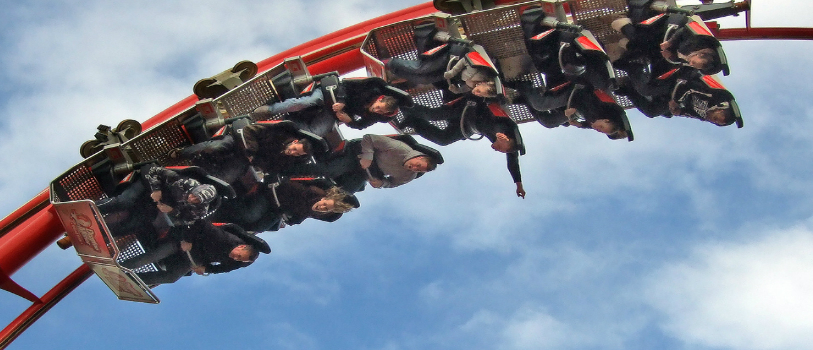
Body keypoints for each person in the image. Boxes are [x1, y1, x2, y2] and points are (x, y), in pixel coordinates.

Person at [398, 98, 526, 198]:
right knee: (434, 115)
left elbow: (513, 163)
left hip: (468, 125)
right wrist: (500, 133)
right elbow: (499, 126)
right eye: (500, 149)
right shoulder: (503, 127)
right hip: (469, 107)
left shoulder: (510, 146)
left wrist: (518, 185)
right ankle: (402, 102)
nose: (497, 150)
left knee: (444, 139)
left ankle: (413, 121)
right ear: (504, 138)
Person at [123, 221, 269, 285]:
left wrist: (206, 269)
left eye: (239, 259)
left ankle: (130, 280)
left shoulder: (236, 263)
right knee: (153, 256)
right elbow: (200, 224)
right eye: (238, 255)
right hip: (181, 242)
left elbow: (222, 269)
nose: (235, 258)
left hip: (192, 259)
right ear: (241, 246)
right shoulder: (224, 239)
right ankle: (122, 267)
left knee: (172, 277)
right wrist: (188, 241)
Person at [250, 76, 407, 135]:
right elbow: (346, 85)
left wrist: (348, 120)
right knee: (307, 102)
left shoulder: (375, 117)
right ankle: (269, 110)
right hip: (331, 92)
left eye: (380, 111)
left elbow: (360, 125)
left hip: (334, 112)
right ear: (380, 99)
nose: (376, 110)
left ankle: (288, 121)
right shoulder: (370, 88)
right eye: (378, 106)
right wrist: (342, 101)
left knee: (317, 132)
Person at [318, 134, 441, 193]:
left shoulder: (409, 175)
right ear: (418, 157)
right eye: (417, 165)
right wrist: (368, 156)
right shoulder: (399, 148)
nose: (413, 168)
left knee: (345, 193)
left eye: (418, 170)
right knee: (330, 171)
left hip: (367, 172)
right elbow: (369, 138)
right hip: (357, 155)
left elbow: (393, 183)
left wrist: (382, 183)